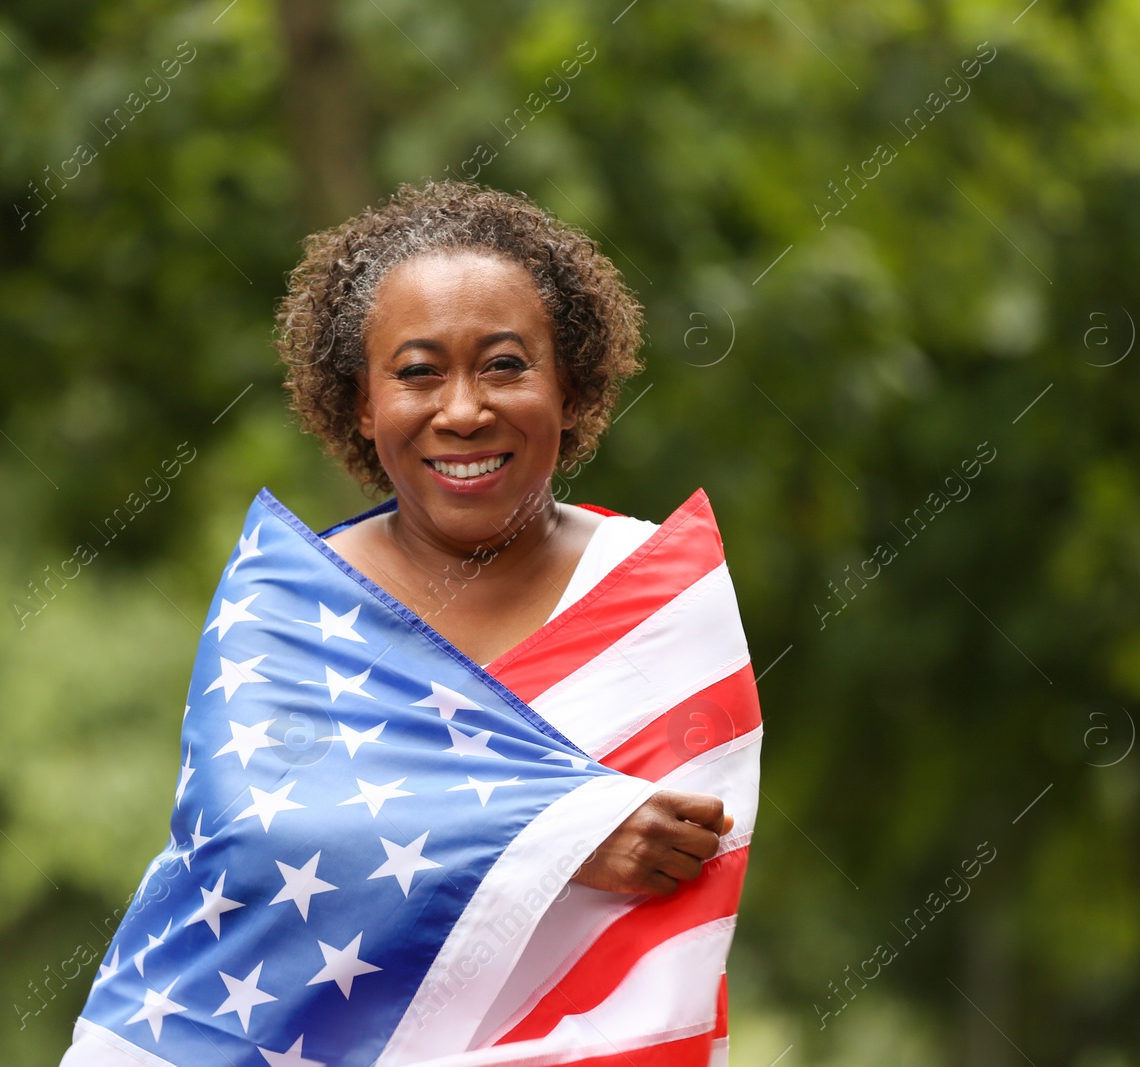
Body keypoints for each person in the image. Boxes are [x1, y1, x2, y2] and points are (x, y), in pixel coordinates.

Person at [59, 182, 760, 1067]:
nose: (463, 410)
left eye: (505, 365)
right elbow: (253, 832)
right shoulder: (287, 600)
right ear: (360, 403)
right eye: (419, 371)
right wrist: (564, 831)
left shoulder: (658, 595)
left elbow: (689, 859)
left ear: (572, 388)